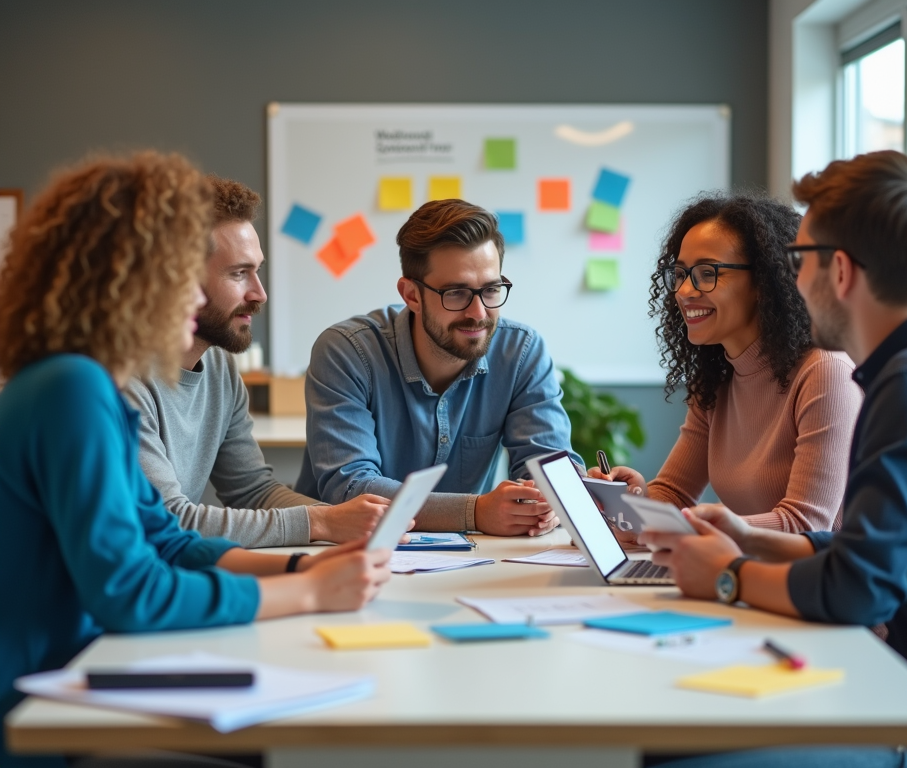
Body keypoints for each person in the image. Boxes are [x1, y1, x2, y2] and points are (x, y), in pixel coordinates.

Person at [0, 153, 391, 767]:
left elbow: (165, 540)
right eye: (182, 272)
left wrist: (296, 568)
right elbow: (133, 592)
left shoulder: (87, 383)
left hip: (77, 681)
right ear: (126, 279)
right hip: (39, 719)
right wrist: (309, 595)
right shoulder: (69, 389)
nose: (194, 292)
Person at [641, 151, 907, 768]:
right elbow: (866, 553)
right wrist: (744, 538)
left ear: (839, 270)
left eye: (798, 260)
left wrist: (727, 576)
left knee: (664, 757)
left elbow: (858, 590)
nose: (790, 280)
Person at [125, 177, 390, 548]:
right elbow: (169, 518)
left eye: (257, 270)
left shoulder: (218, 366)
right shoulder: (119, 379)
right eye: (238, 273)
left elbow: (253, 490)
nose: (259, 293)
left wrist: (345, 520)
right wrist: (321, 522)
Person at [295, 199, 582, 536]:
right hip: (341, 552)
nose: (478, 312)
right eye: (456, 293)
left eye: (490, 290)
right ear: (412, 295)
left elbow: (550, 468)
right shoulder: (348, 351)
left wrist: (550, 502)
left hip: (474, 558)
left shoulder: (520, 351)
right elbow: (350, 487)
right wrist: (474, 512)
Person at [592, 193, 861, 533]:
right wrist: (630, 499)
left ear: (763, 282)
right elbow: (673, 493)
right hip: (750, 572)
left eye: (707, 273)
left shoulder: (826, 373)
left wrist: (692, 525)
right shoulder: (716, 379)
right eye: (680, 273)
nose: (684, 291)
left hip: (815, 582)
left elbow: (804, 525)